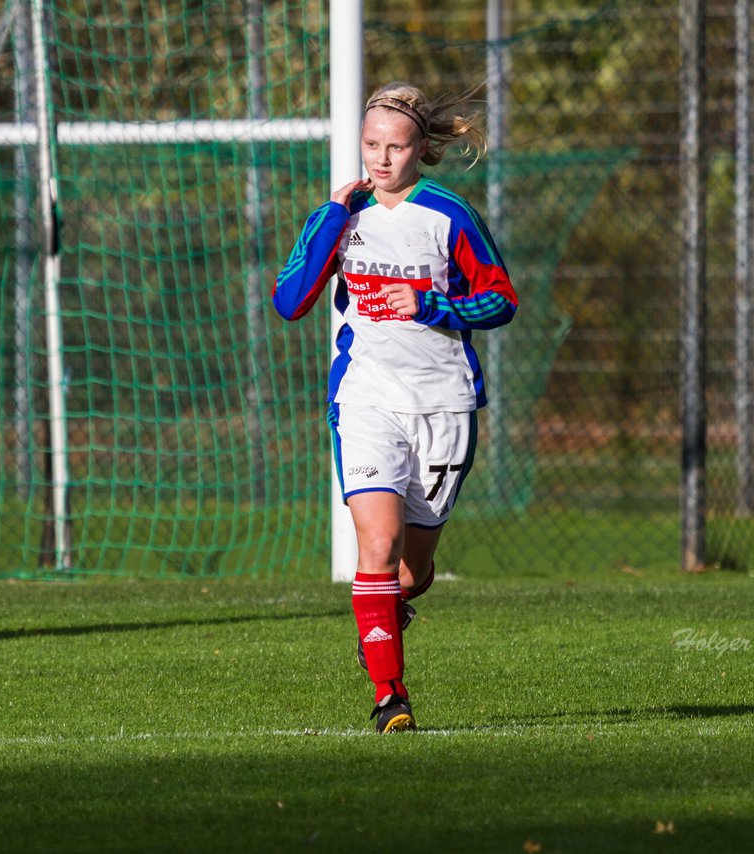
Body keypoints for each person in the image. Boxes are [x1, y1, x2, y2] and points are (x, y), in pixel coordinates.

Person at [272, 82, 518, 733]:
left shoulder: (447, 214)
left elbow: (501, 301)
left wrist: (434, 306)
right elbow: (289, 300)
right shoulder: (342, 216)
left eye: (396, 147)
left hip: (442, 405)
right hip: (366, 400)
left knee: (412, 570)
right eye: (371, 145)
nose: (381, 159)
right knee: (375, 547)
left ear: (422, 150)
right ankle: (391, 697)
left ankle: (385, 617)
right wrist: (328, 215)